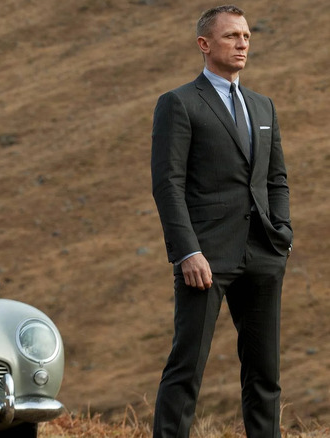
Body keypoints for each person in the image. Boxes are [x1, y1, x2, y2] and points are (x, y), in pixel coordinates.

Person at [150, 5, 292, 438]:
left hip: (264, 254)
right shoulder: (178, 103)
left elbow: (276, 178)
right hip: (205, 259)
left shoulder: (263, 106)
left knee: (265, 375)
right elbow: (167, 184)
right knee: (186, 370)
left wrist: (282, 234)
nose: (243, 43)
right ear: (204, 44)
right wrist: (188, 251)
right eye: (232, 36)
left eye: (246, 36)